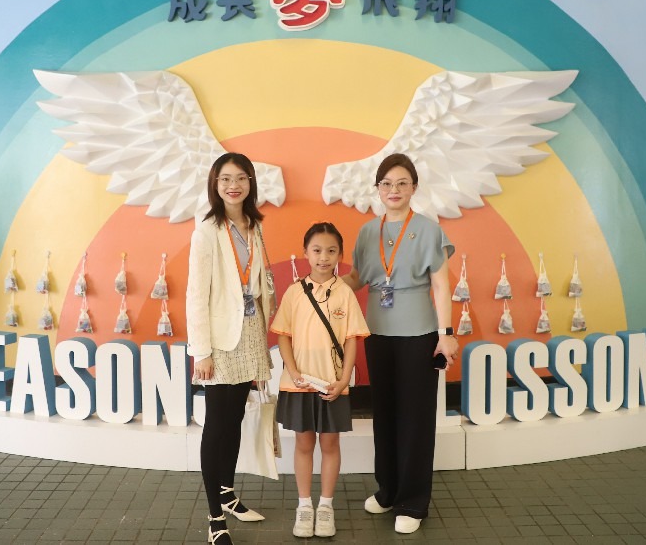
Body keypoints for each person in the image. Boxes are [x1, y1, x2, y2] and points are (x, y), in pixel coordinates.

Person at [341, 153, 457, 534]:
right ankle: (388, 490)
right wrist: (323, 287)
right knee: (385, 415)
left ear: (414, 188)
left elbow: (441, 285)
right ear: (378, 189)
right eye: (387, 184)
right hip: (377, 335)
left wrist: (446, 334)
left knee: (415, 419)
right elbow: (357, 278)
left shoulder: (429, 230)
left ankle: (412, 501)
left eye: (402, 183)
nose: (394, 190)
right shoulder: (367, 232)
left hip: (419, 337)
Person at [186, 153, 276, 545]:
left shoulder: (255, 224)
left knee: (236, 417)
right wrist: (201, 351)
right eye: (225, 179)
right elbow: (196, 294)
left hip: (250, 332)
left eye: (240, 178)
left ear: (250, 183)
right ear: (215, 184)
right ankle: (214, 519)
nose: (233, 185)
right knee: (217, 424)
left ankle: (227, 493)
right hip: (220, 341)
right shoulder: (206, 231)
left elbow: (258, 280)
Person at [271, 222, 369, 538]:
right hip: (299, 385)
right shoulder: (294, 292)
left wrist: (344, 380)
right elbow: (283, 336)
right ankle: (304, 506)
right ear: (305, 253)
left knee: (330, 443)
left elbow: (352, 339)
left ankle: (326, 506)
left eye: (331, 251)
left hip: (332, 385)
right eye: (316, 250)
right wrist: (293, 371)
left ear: (340, 254)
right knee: (303, 443)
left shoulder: (345, 293)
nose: (323, 257)